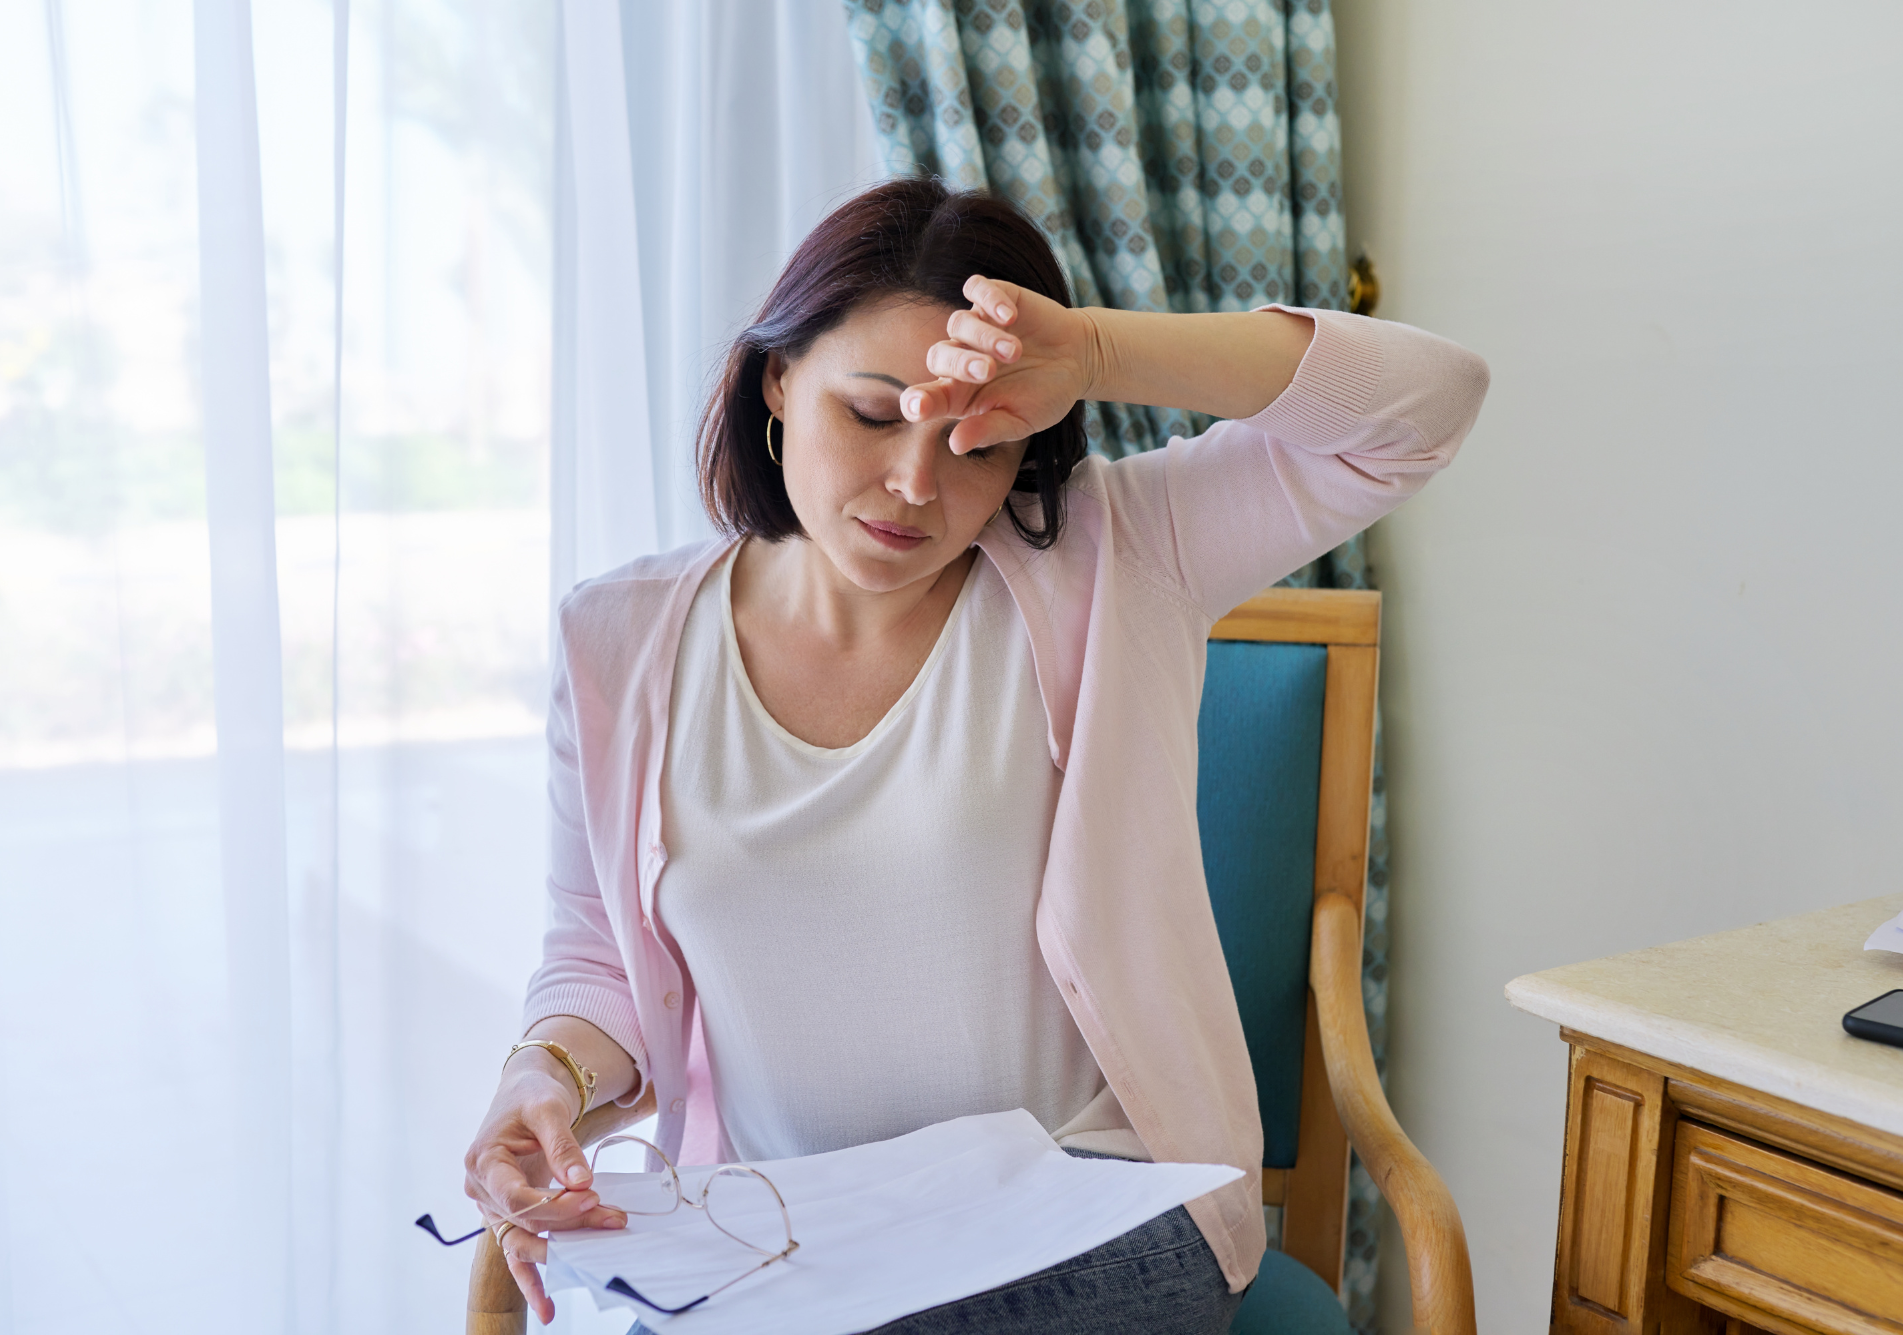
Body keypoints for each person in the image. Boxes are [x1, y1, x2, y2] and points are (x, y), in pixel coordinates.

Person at [463, 177, 1488, 1331]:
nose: (914, 485)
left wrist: (1094, 351)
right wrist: (543, 1075)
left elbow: (1426, 403)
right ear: (778, 378)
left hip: (1092, 1203)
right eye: (869, 413)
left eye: (974, 441)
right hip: (783, 1230)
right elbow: (595, 959)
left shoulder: (1118, 559)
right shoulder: (618, 641)